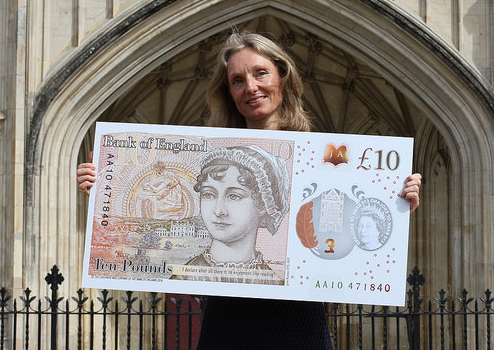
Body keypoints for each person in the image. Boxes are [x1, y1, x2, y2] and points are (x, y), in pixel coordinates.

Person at [77, 31, 422, 349]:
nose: (251, 87)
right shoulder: (207, 152)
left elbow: (356, 225)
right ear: (229, 93)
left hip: (300, 324)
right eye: (237, 81)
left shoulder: (322, 155)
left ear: (282, 79)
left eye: (260, 73)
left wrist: (397, 199)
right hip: (228, 321)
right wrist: (103, 186)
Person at [171, 145, 289, 285]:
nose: (219, 211)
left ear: (264, 204)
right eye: (209, 194)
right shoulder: (182, 279)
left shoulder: (276, 284)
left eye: (234, 196)